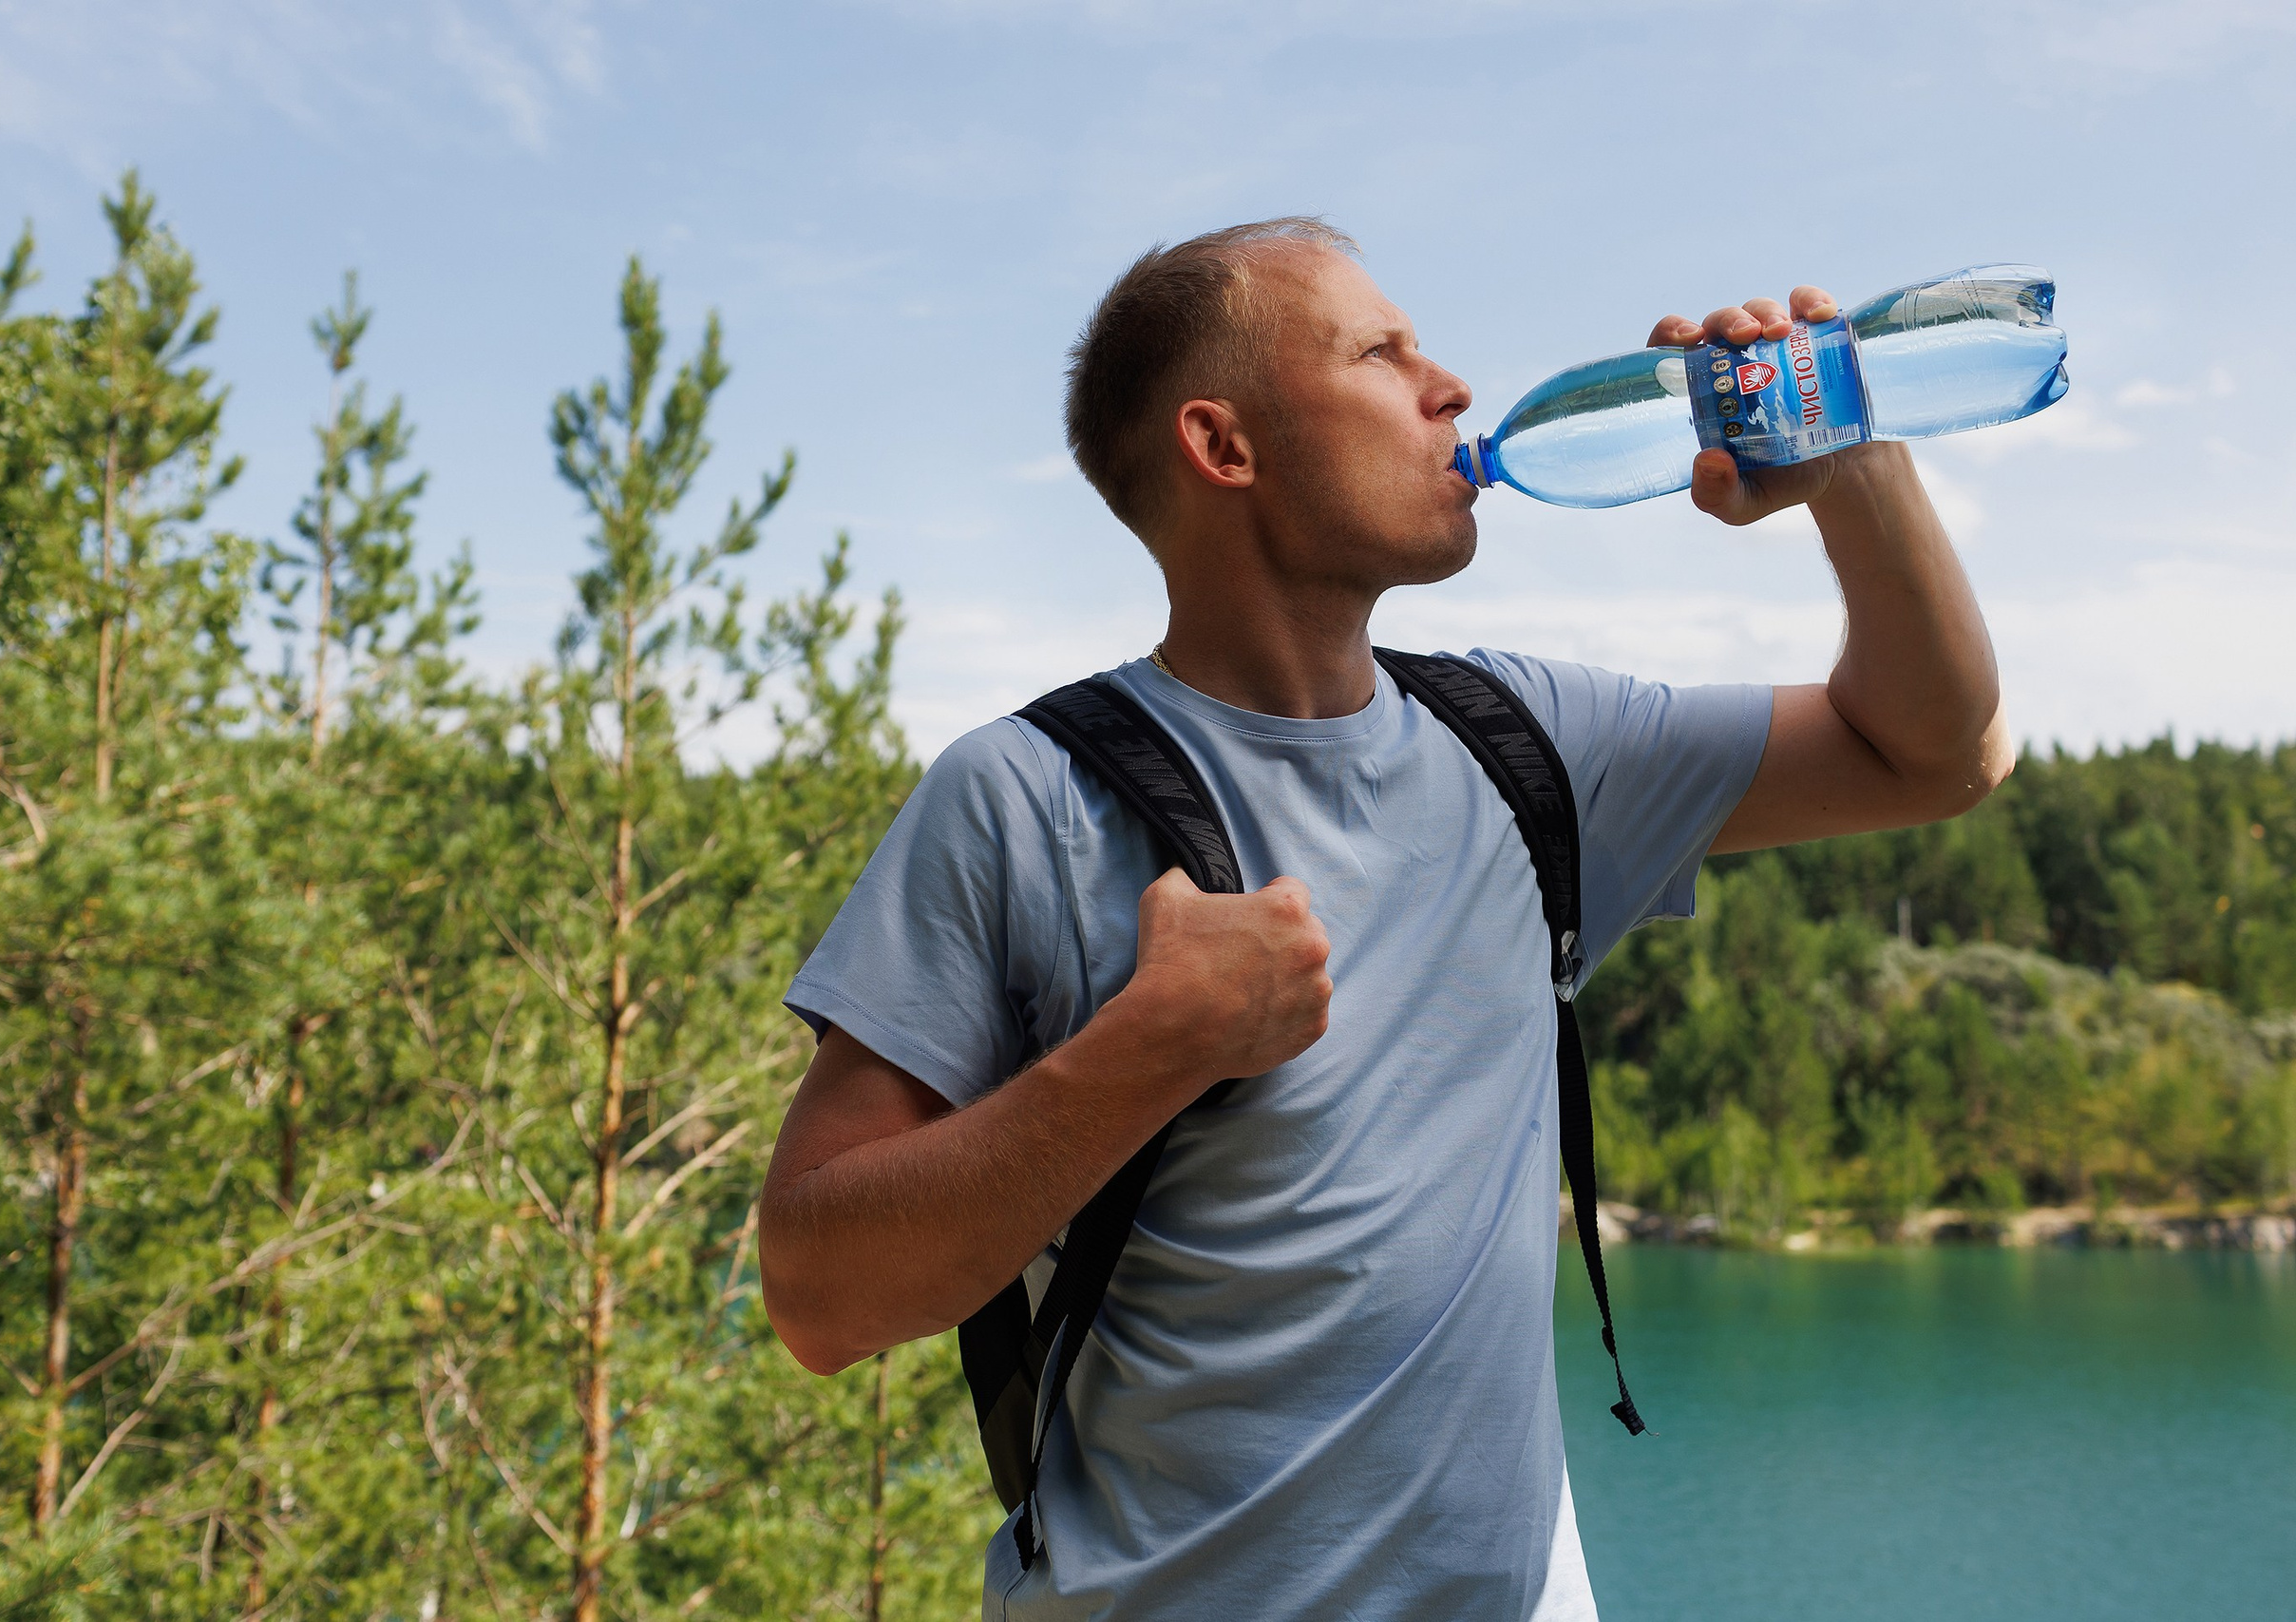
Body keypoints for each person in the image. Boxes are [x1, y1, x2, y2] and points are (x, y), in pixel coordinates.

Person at [756, 218, 2010, 1621]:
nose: (1451, 385)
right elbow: (819, 1293)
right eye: (1380, 351)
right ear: (1224, 448)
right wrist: (1144, 1052)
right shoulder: (1022, 799)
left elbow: (1936, 751)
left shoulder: (1528, 744)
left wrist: (1856, 469)